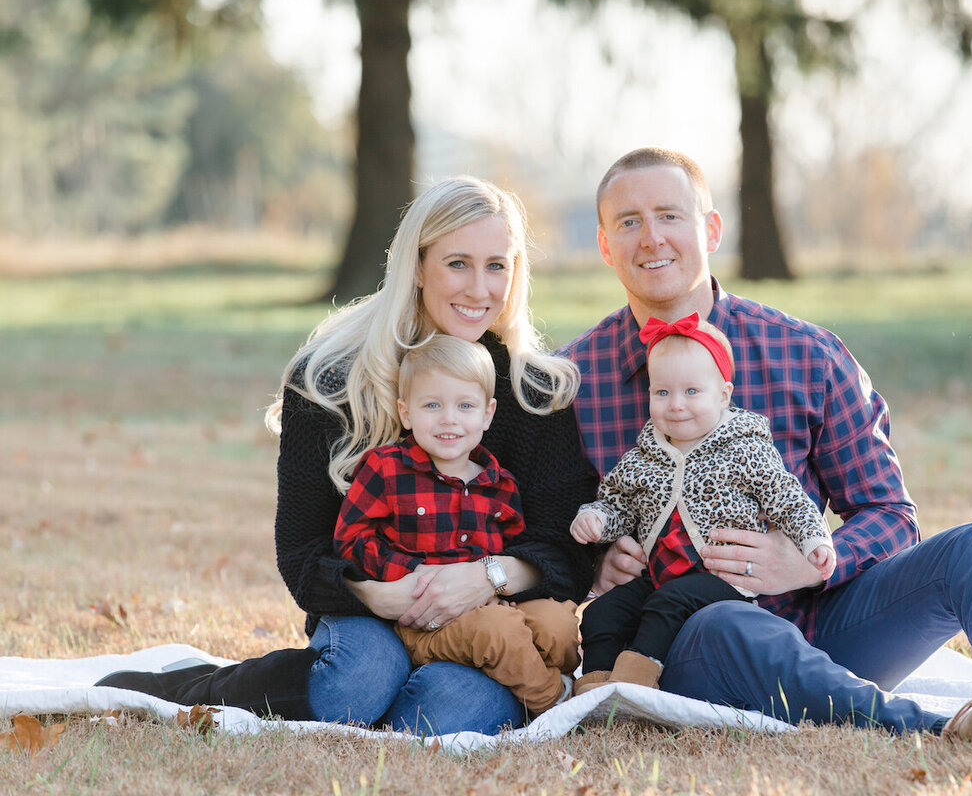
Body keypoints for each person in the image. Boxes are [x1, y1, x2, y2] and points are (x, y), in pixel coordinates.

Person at [560, 147, 972, 749]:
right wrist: (595, 563)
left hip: (828, 620)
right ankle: (941, 730)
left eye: (670, 215)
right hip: (689, 637)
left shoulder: (807, 354)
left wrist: (811, 560)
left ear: (711, 229)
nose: (651, 238)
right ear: (604, 244)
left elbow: (889, 515)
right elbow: (537, 534)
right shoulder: (571, 381)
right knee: (727, 622)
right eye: (629, 222)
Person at [98, 176, 597, 735]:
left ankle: (402, 696)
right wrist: (378, 594)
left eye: (497, 265)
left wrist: (490, 576)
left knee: (447, 716)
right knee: (356, 685)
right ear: (417, 265)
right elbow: (302, 549)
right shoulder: (330, 378)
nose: (480, 288)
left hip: (488, 618)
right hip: (371, 607)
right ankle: (193, 688)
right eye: (458, 263)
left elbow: (568, 550)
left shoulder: (533, 389)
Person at [569, 313, 834, 695]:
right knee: (602, 612)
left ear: (723, 395)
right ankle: (594, 689)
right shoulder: (646, 456)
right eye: (662, 393)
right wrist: (595, 518)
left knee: (668, 604)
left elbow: (789, 499)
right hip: (659, 575)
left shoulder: (745, 449)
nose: (675, 405)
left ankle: (634, 688)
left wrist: (815, 542)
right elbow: (619, 505)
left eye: (692, 392)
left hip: (722, 578)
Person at [334, 334, 579, 714]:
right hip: (423, 622)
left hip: (491, 605)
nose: (449, 418)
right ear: (406, 412)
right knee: (501, 632)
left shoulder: (501, 484)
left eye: (465, 405)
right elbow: (351, 539)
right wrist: (417, 575)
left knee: (558, 623)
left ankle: (544, 677)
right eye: (432, 405)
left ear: (487, 413)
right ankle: (556, 706)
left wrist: (496, 586)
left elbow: (514, 549)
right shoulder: (385, 468)